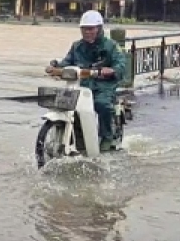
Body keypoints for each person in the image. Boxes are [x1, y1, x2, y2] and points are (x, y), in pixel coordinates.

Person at [47, 10, 128, 150]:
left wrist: (112, 70)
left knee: (102, 104)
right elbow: (67, 62)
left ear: (99, 29)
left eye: (90, 29)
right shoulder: (77, 46)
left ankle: (107, 137)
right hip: (81, 85)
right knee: (71, 107)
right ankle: (80, 139)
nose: (87, 32)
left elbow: (121, 64)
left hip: (103, 86)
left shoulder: (111, 46)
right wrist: (55, 67)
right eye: (84, 29)